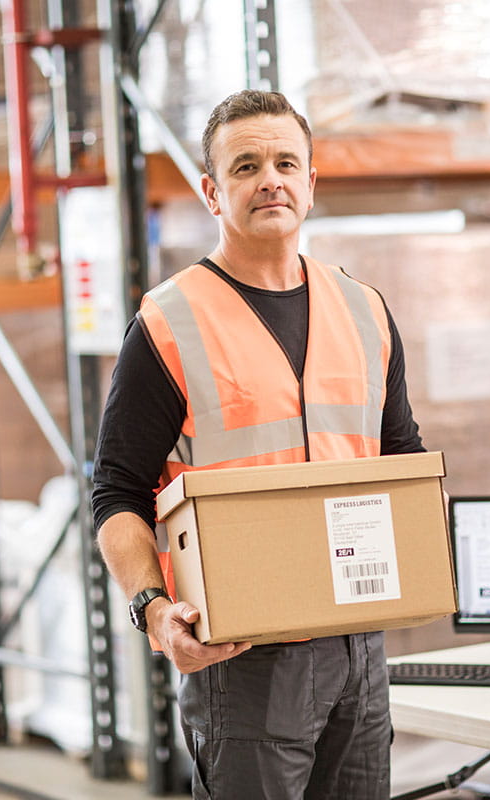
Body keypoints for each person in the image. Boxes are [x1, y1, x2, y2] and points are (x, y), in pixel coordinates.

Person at [92, 90, 425, 799]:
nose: (269, 178)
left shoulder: (364, 310)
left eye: (284, 162)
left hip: (358, 645)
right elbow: (117, 492)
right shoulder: (169, 323)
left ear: (311, 183)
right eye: (245, 166)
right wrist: (153, 609)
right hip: (242, 657)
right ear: (213, 193)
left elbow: (404, 461)